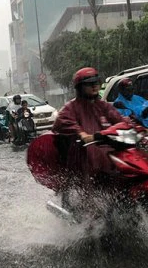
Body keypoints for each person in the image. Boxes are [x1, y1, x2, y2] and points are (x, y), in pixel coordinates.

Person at [52, 67, 127, 196]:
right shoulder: (71, 107)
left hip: (107, 149)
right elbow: (64, 121)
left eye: (96, 82)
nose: (94, 86)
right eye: (89, 84)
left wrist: (136, 127)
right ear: (80, 87)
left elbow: (118, 118)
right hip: (83, 154)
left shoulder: (103, 105)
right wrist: (82, 134)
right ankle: (90, 207)